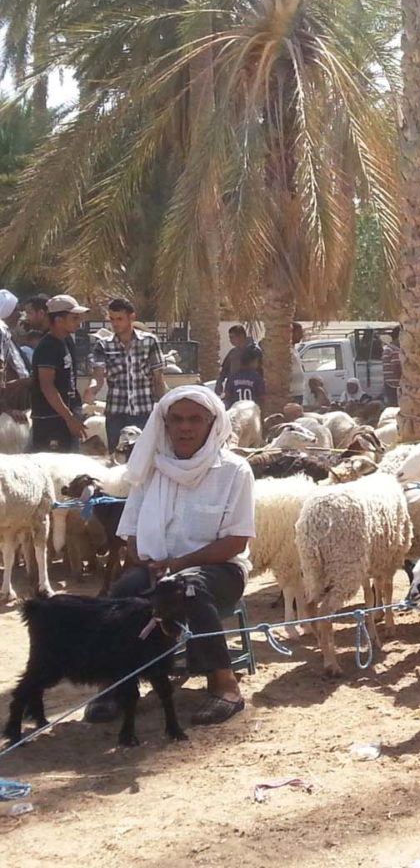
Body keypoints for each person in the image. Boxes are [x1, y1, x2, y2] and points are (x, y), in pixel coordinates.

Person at [85, 386, 253, 727]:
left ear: (213, 423)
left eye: (195, 419)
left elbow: (235, 541)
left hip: (218, 571)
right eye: (176, 419)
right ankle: (115, 683)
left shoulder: (234, 471)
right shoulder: (151, 469)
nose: (185, 427)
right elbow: (131, 534)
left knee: (188, 587)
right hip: (156, 567)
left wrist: (177, 566)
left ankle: (225, 686)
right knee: (118, 595)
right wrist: (148, 564)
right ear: (165, 423)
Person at [85, 297, 167, 451]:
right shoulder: (103, 345)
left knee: (145, 457)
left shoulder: (149, 342)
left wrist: (163, 406)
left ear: (132, 317)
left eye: (119, 319)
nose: (115, 323)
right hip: (116, 413)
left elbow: (158, 378)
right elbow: (98, 376)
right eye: (112, 319)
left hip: (144, 412)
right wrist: (92, 390)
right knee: (117, 458)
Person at [30, 294, 88, 450]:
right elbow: (47, 387)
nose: (79, 322)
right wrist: (69, 418)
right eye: (74, 318)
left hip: (65, 418)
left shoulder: (67, 341)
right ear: (58, 320)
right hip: (50, 422)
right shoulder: (47, 347)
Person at [0, 289, 30, 413]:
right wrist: (5, 407)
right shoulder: (1, 332)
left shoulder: (6, 333)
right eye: (15, 310)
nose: (20, 314)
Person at [217, 325, 258, 393]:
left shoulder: (254, 351)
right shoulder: (233, 353)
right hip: (233, 389)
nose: (230, 340)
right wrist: (220, 382)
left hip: (250, 389)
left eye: (232, 337)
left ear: (241, 336)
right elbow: (225, 370)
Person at [381, 326, 403, 404]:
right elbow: (396, 368)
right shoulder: (395, 351)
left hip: (388, 385)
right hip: (395, 386)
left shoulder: (387, 349)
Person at [289, 321, 306, 405]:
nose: (301, 336)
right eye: (298, 333)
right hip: (292, 392)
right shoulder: (287, 351)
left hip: (299, 391)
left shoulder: (294, 350)